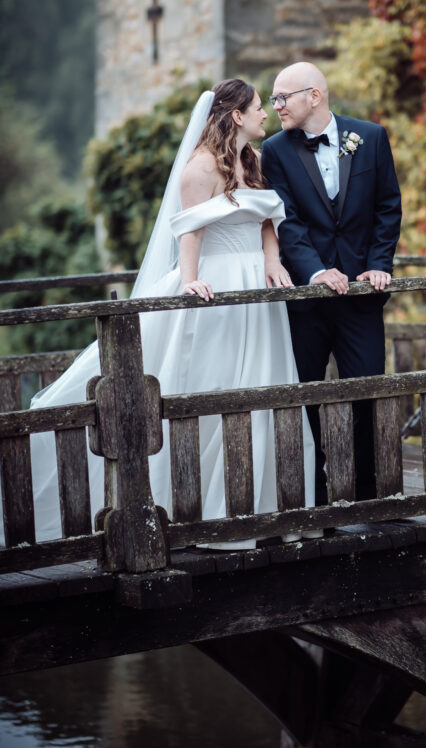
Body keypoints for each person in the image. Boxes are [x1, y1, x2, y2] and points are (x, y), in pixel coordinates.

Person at [3, 81, 316, 549]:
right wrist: (189, 280)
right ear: (235, 115)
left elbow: (267, 220)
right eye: (257, 107)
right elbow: (189, 233)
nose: (265, 114)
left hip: (259, 290)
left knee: (266, 386)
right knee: (220, 387)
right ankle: (210, 510)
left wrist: (273, 261)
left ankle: (270, 509)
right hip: (221, 284)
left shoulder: (252, 160)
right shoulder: (199, 169)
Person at [261, 62, 402, 503]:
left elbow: (387, 207)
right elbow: (287, 222)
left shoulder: (372, 137)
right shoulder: (275, 151)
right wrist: (317, 271)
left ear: (314, 96)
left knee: (369, 394)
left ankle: (369, 493)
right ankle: (313, 495)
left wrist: (380, 264)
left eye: (283, 97)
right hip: (306, 301)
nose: (276, 105)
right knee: (304, 397)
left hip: (362, 296)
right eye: (273, 98)